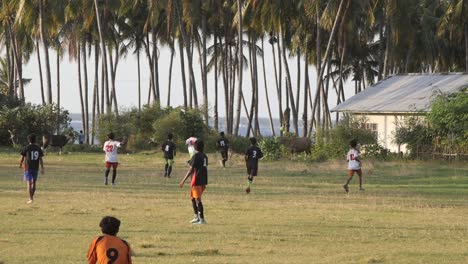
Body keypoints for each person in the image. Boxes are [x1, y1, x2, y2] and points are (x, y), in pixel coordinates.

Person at [179, 140, 208, 225]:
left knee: (198, 200)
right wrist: (189, 162)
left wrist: (183, 181)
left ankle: (202, 220)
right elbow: (199, 165)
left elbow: (191, 169)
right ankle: (196, 216)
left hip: (196, 180)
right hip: (203, 180)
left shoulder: (196, 156)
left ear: (195, 147)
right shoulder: (205, 156)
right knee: (193, 198)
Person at [19, 133, 45, 204]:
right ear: (35, 140)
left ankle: (30, 199)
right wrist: (42, 168)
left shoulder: (26, 147)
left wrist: (20, 164)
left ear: (28, 140)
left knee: (29, 183)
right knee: (34, 182)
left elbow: (22, 157)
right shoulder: (38, 148)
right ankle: (31, 198)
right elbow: (40, 159)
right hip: (35, 167)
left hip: (28, 167)